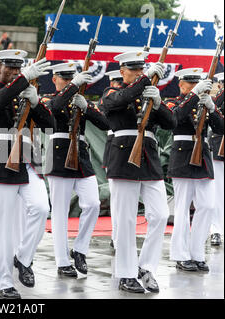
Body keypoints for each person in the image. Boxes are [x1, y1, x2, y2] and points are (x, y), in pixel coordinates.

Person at [0, 50, 53, 299]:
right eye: (10, 67)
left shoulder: (24, 92)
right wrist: (22, 82)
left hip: (28, 160)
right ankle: (4, 282)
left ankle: (23, 257)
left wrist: (36, 101)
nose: (15, 71)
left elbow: (50, 125)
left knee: (41, 208)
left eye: (19, 68)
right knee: (4, 226)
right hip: (2, 160)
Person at [101, 51, 176, 293]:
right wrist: (146, 81)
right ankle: (125, 273)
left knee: (161, 214)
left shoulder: (147, 93)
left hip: (149, 159)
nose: (138, 73)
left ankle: (146, 267)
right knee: (126, 220)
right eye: (132, 69)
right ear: (122, 71)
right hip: (123, 159)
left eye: (141, 69)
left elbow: (171, 123)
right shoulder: (112, 93)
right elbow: (116, 102)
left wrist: (158, 102)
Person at [43, 62, 108, 278]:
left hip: (80, 155)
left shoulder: (78, 101)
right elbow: (53, 108)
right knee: (59, 212)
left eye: (71, 78)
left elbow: (106, 124)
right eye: (64, 78)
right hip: (59, 153)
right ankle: (62, 262)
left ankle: (79, 249)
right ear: (54, 79)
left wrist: (86, 107)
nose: (68, 81)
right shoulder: (48, 99)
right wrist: (73, 88)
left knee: (93, 204)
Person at [167, 68, 224, 272]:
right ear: (181, 85)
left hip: (203, 157)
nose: (195, 88)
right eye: (190, 85)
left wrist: (212, 107)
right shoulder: (173, 102)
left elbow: (221, 128)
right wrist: (193, 96)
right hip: (183, 156)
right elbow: (175, 118)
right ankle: (181, 255)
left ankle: (197, 252)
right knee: (182, 209)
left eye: (197, 84)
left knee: (208, 205)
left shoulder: (203, 104)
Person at [99, 70, 123, 250]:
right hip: (115, 145)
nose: (122, 85)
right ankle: (116, 235)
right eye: (119, 82)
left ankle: (121, 234)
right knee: (116, 199)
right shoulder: (110, 96)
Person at [209, 72, 224, 246]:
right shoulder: (216, 99)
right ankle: (216, 230)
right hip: (220, 148)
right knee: (217, 193)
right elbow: (215, 106)